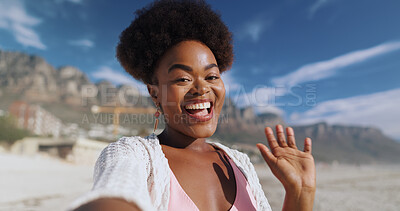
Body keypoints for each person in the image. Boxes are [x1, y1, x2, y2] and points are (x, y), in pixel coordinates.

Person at [68, 0, 316, 210]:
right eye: (183, 79)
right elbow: (114, 194)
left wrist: (300, 193)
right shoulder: (133, 155)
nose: (201, 89)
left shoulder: (240, 163)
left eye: (212, 76)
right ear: (155, 94)